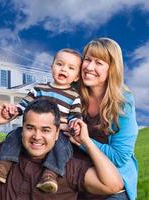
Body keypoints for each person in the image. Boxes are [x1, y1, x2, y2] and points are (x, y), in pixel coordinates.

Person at [0, 99, 123, 200]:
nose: (37, 136)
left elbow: (113, 185)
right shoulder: (4, 155)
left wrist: (86, 142)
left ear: (56, 134)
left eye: (45, 130)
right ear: (21, 129)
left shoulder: (70, 167)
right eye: (30, 128)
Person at [0, 48, 82, 193]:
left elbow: (75, 117)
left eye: (71, 68)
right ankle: (3, 166)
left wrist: (75, 126)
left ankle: (50, 175)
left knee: (62, 146)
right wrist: (14, 111)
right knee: (14, 136)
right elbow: (24, 105)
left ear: (76, 77)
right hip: (33, 128)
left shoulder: (74, 96)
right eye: (59, 64)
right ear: (52, 67)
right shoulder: (39, 89)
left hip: (58, 133)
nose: (64, 69)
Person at [69, 37, 138, 200]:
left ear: (112, 69)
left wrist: (84, 141)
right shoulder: (71, 92)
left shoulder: (123, 102)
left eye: (99, 63)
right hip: (76, 174)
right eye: (87, 60)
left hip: (111, 182)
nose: (89, 67)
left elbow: (119, 157)